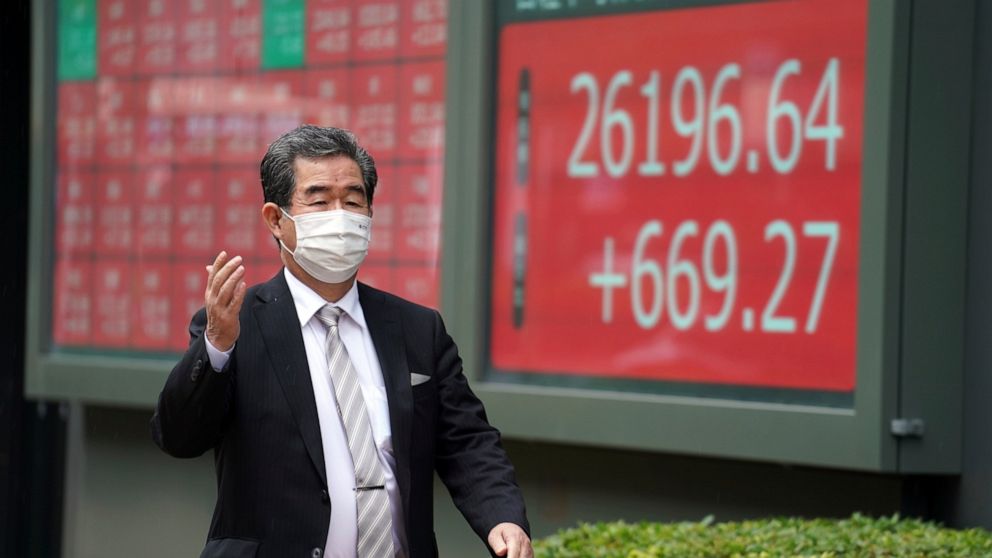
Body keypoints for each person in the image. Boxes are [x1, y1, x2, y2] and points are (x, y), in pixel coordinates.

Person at [151, 125, 532, 558]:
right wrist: (218, 344)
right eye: (319, 201)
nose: (340, 217)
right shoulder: (237, 326)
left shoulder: (417, 329)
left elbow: (467, 441)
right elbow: (178, 437)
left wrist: (502, 517)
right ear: (276, 219)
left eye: (353, 201)